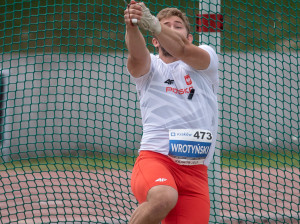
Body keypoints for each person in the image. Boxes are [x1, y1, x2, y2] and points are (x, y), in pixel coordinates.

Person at [124, 1, 219, 223]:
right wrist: (133, 25)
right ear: (155, 41)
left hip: (195, 172)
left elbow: (182, 50)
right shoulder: (151, 67)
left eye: (178, 26)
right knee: (164, 197)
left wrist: (154, 24)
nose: (172, 28)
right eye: (166, 25)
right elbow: (137, 57)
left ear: (189, 37)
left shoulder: (205, 58)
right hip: (156, 159)